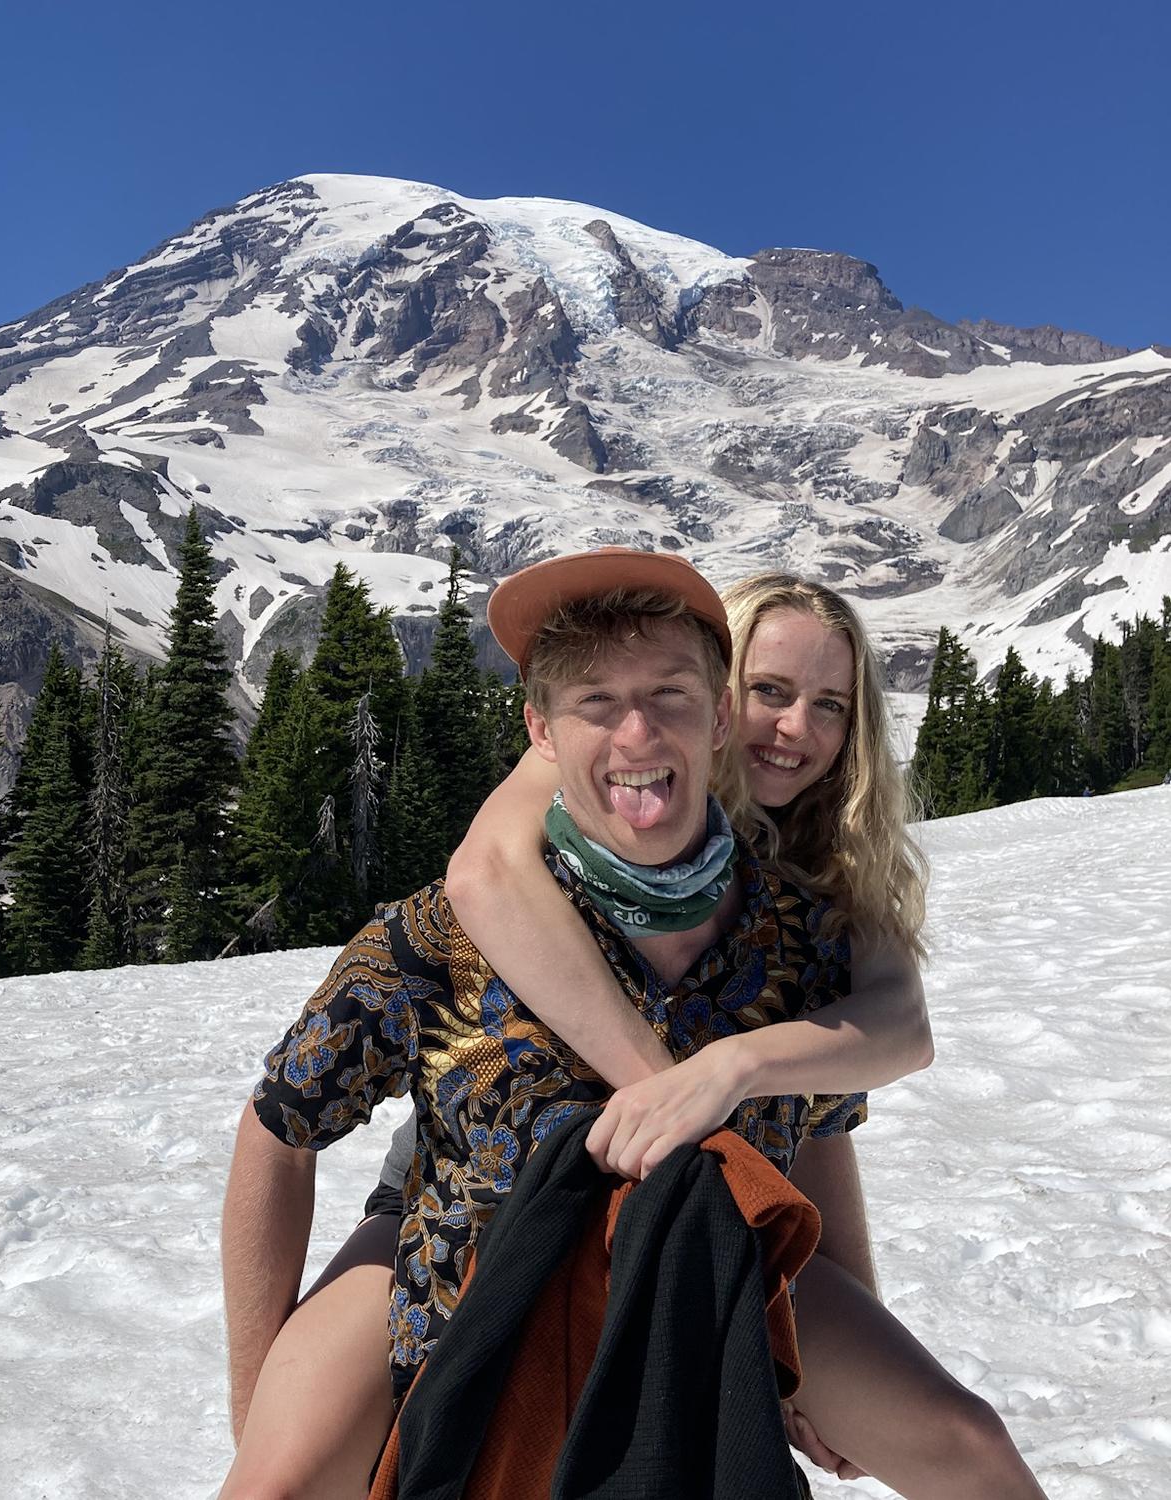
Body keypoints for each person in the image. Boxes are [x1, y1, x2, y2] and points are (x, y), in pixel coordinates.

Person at [220, 553, 1044, 1500]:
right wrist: (257, 1406)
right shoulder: (453, 928)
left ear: (714, 712)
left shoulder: (806, 935)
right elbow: (279, 1125)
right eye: (598, 703)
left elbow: (817, 1128)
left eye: (669, 695)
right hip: (461, 1256)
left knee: (973, 1456)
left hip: (710, 1262)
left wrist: (816, 1345)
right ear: (541, 732)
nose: (637, 730)